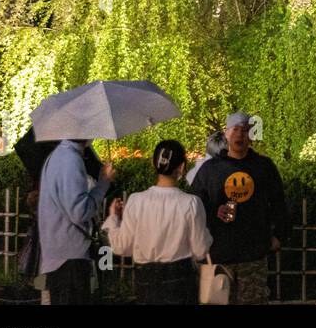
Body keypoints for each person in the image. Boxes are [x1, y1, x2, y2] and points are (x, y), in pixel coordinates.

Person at [191, 112, 288, 304]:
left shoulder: (263, 167)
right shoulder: (210, 170)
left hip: (253, 255)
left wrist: (280, 235)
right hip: (217, 254)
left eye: (245, 130)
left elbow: (279, 202)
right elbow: (194, 206)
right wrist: (213, 212)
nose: (240, 135)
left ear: (250, 135)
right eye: (235, 129)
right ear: (226, 134)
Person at [103, 139, 212, 304]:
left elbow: (121, 247)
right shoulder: (191, 203)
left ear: (155, 164)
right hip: (180, 280)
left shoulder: (136, 201)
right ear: (181, 167)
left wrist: (113, 219)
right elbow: (200, 249)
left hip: (145, 281)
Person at [38, 138, 116, 304]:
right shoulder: (70, 159)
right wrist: (104, 183)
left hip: (59, 258)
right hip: (70, 260)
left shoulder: (59, 156)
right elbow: (80, 212)